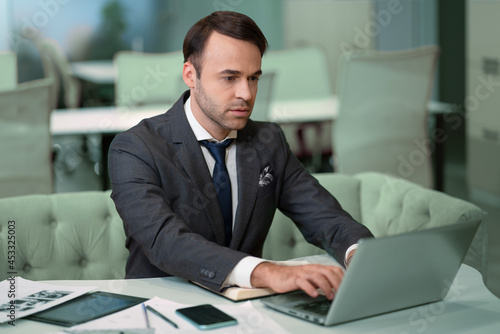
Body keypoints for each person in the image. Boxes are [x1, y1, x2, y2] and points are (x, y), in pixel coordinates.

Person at [108, 11, 373, 300]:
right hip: (162, 309)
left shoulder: (268, 141)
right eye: (230, 78)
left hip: (248, 313)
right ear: (190, 75)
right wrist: (267, 272)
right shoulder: (135, 147)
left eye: (253, 78)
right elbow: (164, 241)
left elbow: (325, 217)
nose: (245, 93)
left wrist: (359, 254)